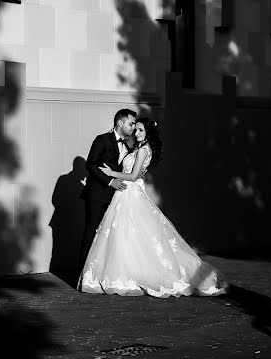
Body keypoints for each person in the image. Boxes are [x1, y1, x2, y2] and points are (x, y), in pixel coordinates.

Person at [78, 117, 229, 297]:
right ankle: (128, 272)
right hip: (125, 194)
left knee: (130, 233)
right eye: (136, 129)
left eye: (141, 130)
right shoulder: (136, 148)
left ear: (148, 133)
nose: (137, 132)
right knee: (126, 235)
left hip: (130, 192)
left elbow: (133, 176)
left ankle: (132, 275)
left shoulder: (143, 150)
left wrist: (112, 174)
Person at [78, 109, 137, 278]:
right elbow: (91, 164)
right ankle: (82, 274)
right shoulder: (102, 139)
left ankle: (102, 274)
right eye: (130, 123)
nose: (133, 127)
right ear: (120, 123)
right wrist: (110, 181)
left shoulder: (129, 144)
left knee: (109, 234)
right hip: (97, 195)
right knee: (91, 231)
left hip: (116, 197)